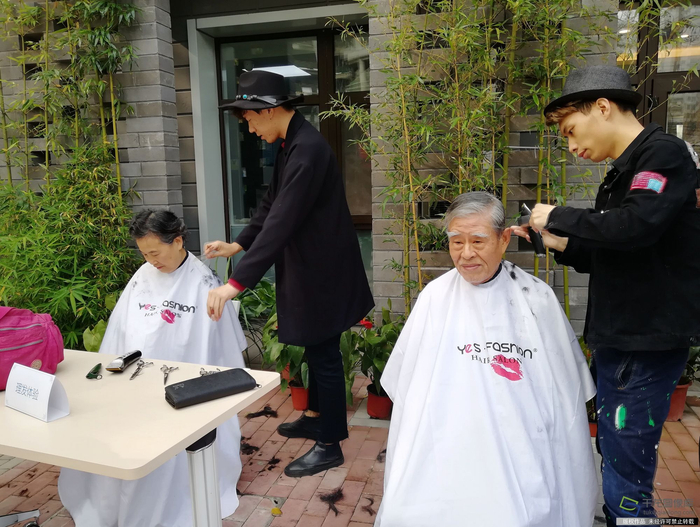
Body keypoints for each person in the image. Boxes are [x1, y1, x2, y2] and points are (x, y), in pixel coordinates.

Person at [511, 65, 700, 525]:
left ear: (602, 107)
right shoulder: (621, 174)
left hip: (644, 341)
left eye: (571, 131)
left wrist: (557, 215)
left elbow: (633, 226)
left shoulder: (662, 155)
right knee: (616, 452)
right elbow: (616, 251)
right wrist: (555, 242)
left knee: (626, 467)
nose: (571, 146)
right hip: (623, 339)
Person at [376, 192, 598, 527]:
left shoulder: (535, 298)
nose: (466, 253)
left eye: (478, 241)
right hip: (444, 444)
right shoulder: (434, 298)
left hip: (521, 446)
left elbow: (565, 396)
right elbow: (406, 387)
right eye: (457, 242)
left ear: (504, 239)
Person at [204, 70, 374, 477]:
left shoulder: (307, 150)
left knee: (325, 354)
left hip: (324, 271)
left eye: (250, 118)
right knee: (315, 347)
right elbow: (271, 203)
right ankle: (315, 417)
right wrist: (239, 244)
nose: (249, 128)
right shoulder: (291, 143)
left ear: (270, 109)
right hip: (311, 266)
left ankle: (329, 444)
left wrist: (235, 283)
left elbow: (281, 221)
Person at [58, 209, 248, 527]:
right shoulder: (142, 276)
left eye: (155, 253)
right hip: (135, 383)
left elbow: (220, 352)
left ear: (178, 241)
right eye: (144, 254)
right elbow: (120, 335)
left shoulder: (203, 281)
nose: (150, 261)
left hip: (185, 393)